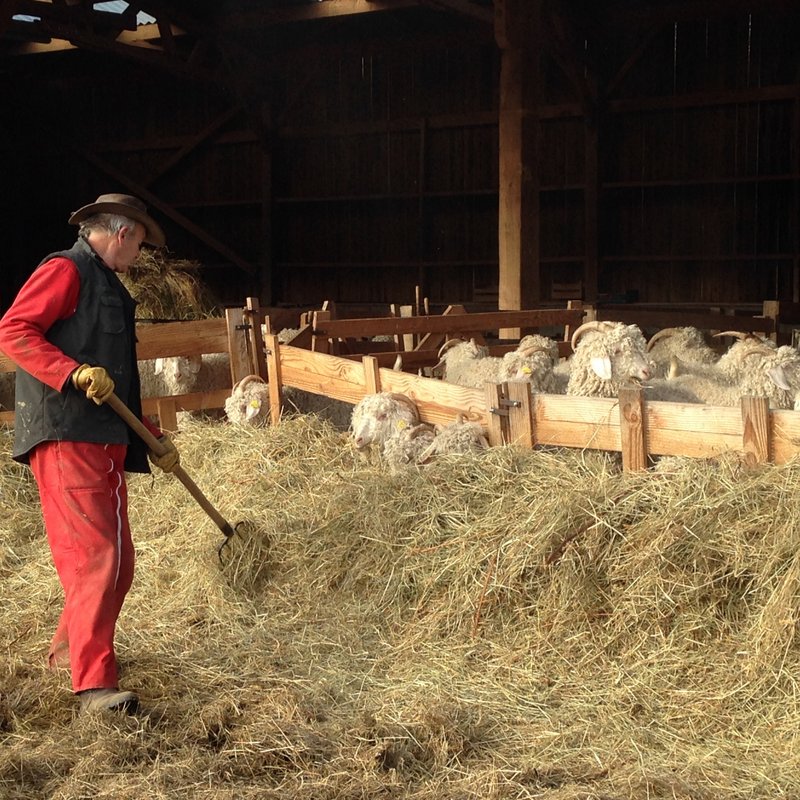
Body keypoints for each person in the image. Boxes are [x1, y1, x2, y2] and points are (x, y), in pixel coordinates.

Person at [0, 193, 181, 714]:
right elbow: (13, 329)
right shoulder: (67, 270)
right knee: (96, 557)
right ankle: (94, 686)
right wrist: (69, 372)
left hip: (103, 440)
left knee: (118, 563)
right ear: (122, 233)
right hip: (68, 436)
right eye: (140, 244)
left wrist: (150, 434)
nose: (140, 257)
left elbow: (112, 382)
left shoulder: (108, 286)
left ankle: (67, 653)